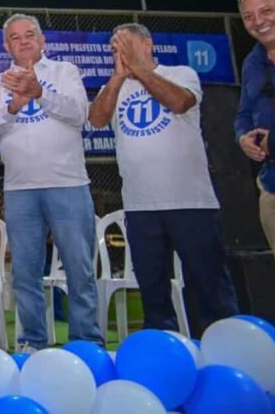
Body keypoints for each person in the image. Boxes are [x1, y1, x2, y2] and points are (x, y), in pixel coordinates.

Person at [90, 23, 238, 330]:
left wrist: (140, 69)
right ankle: (163, 345)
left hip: (190, 202)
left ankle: (220, 342)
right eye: (115, 50)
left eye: (127, 47)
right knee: (153, 290)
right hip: (141, 206)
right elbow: (97, 119)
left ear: (148, 45)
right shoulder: (113, 88)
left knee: (208, 284)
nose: (121, 55)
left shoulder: (181, 74)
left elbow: (179, 102)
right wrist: (118, 77)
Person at [0, 13, 102, 352]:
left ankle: (86, 341)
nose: (23, 41)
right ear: (6, 46)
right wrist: (14, 106)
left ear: (42, 40)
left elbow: (80, 114)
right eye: (15, 37)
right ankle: (33, 341)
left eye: (29, 34)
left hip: (68, 184)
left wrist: (40, 93)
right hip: (20, 190)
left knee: (78, 267)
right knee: (25, 272)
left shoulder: (65, 71)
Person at [235, 0, 275, 281]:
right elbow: (243, 113)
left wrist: (273, 140)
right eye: (248, 16)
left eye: (266, 11)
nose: (258, 22)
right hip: (273, 188)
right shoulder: (252, 63)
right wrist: (243, 138)